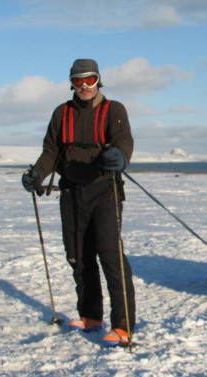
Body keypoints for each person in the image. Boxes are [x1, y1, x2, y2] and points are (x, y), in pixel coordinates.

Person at [22, 59, 135, 346]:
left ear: (99, 81)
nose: (84, 86)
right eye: (77, 81)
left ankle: (123, 325)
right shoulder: (62, 113)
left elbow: (123, 142)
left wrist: (119, 158)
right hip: (71, 191)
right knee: (79, 257)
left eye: (90, 80)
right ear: (71, 82)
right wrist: (37, 173)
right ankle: (91, 316)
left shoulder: (114, 110)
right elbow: (51, 151)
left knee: (110, 254)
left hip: (105, 190)